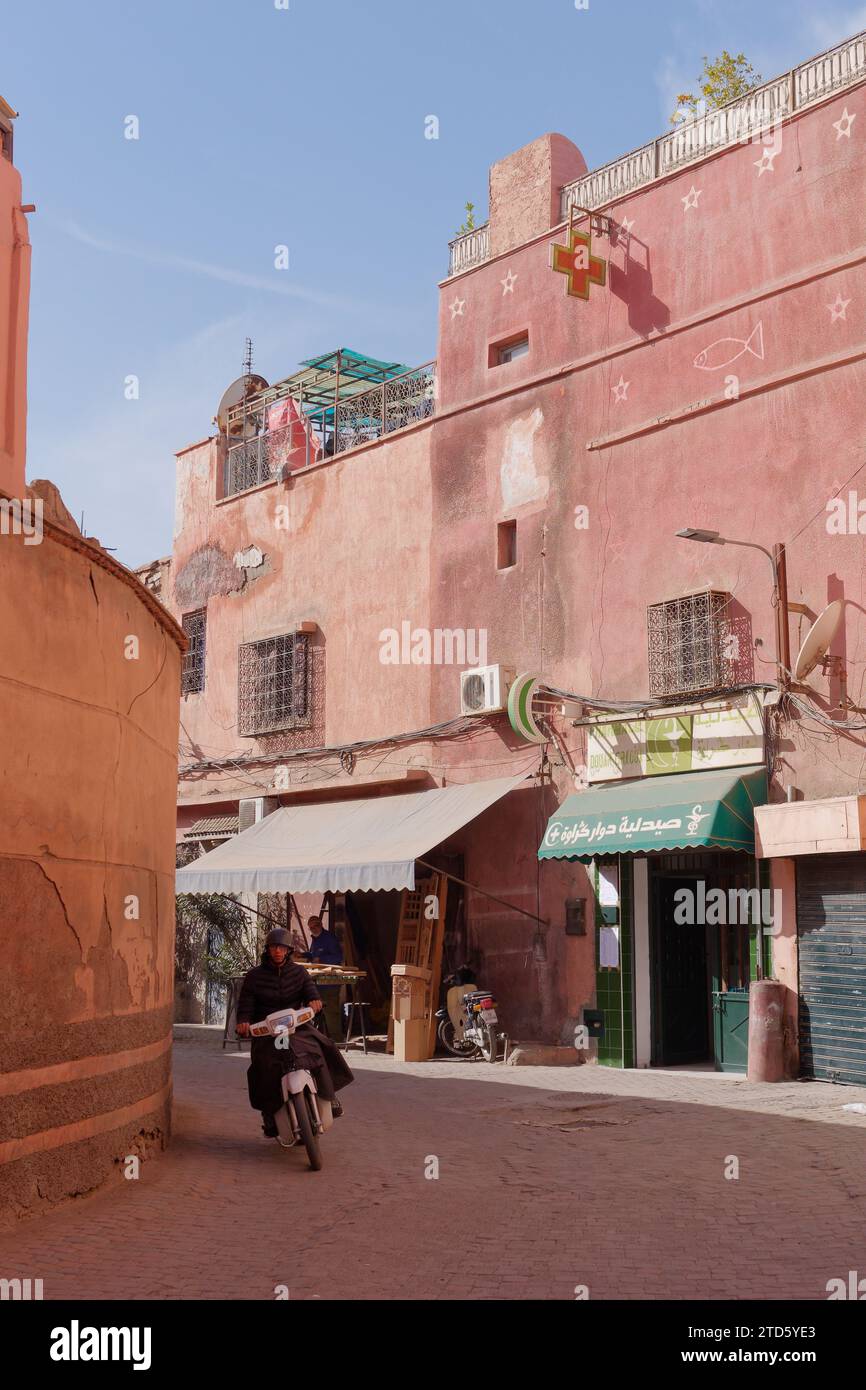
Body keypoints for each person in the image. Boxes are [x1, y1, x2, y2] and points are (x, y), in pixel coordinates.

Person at [235, 928, 354, 1138]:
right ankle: (269, 1115)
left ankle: (330, 1096)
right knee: (261, 1067)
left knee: (322, 1047)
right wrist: (244, 1022)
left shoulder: (299, 973)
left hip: (296, 1027)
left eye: (282, 948)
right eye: (273, 947)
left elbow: (310, 992)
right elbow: (245, 1005)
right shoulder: (254, 977)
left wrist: (314, 1001)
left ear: (289, 950)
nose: (277, 951)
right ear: (268, 950)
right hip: (267, 1033)